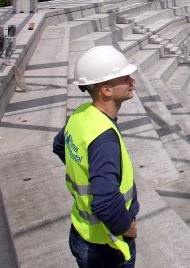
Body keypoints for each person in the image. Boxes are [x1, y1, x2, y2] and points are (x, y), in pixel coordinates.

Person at [53, 45, 140, 268]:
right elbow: (107, 204)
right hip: (106, 246)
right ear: (106, 90)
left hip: (81, 231)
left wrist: (84, 171)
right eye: (125, 78)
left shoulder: (81, 114)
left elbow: (59, 145)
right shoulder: (104, 138)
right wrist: (127, 228)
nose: (133, 81)